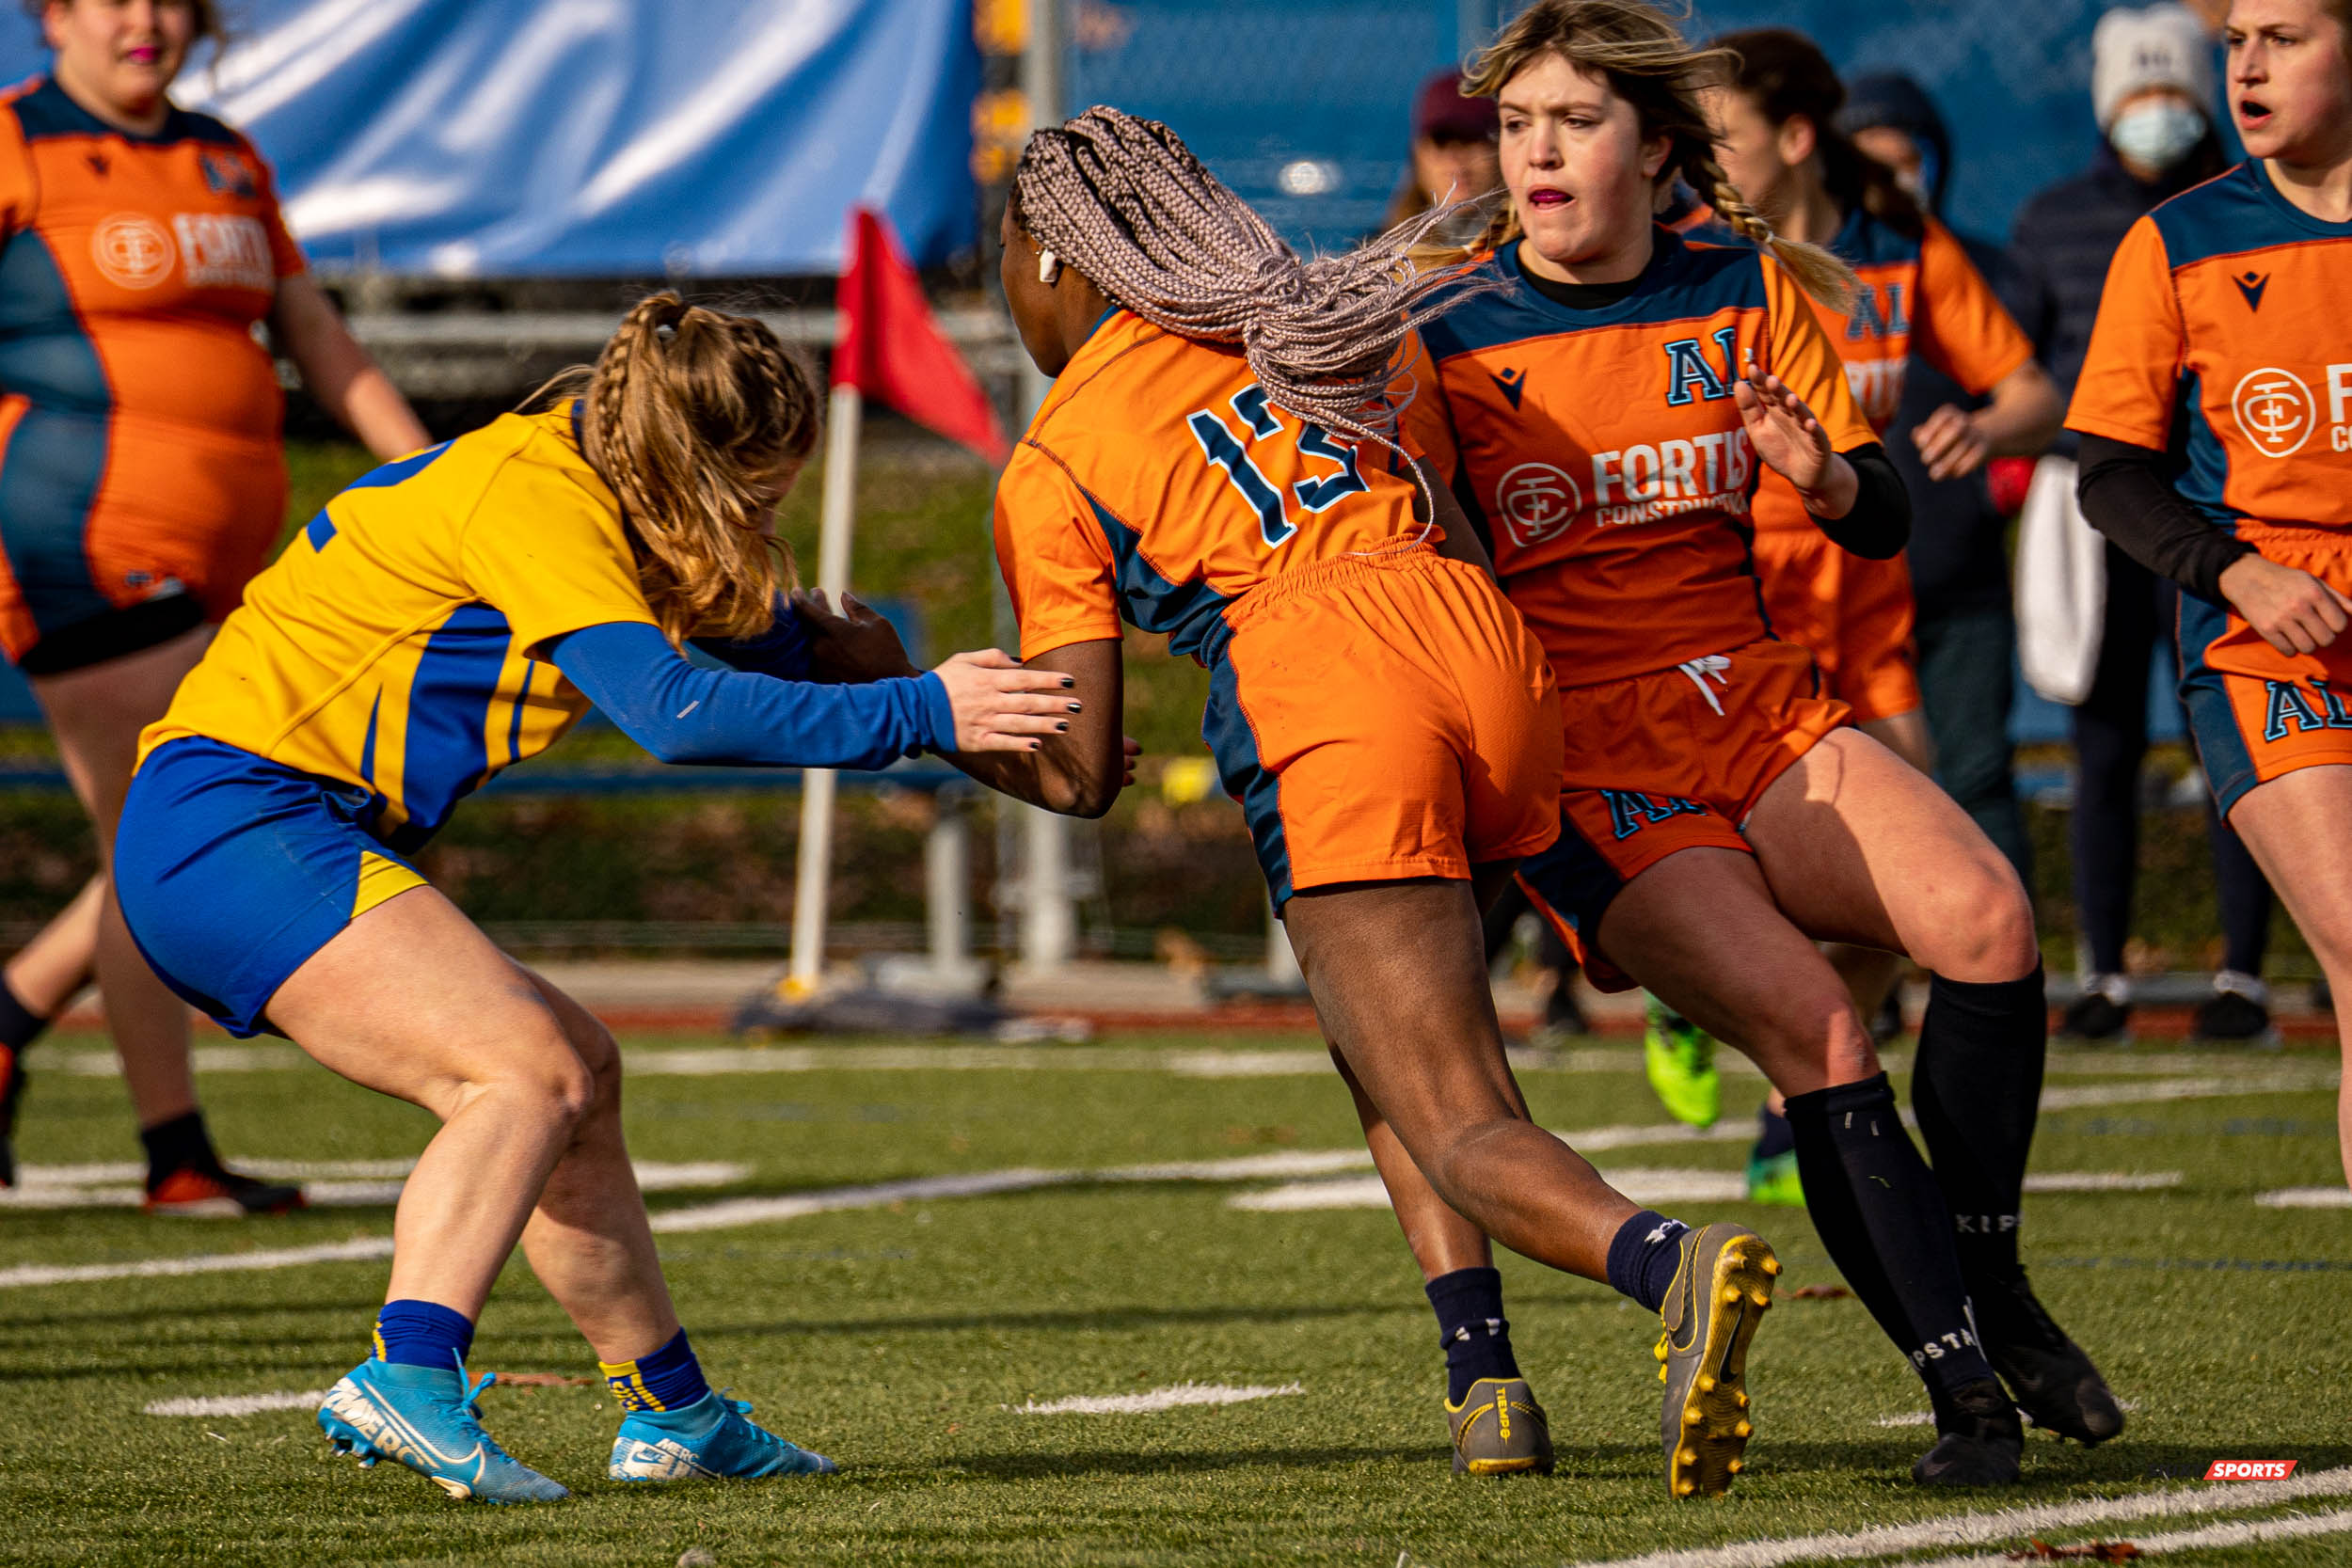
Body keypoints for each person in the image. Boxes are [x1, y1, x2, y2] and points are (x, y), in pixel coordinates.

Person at [834, 103, 1787, 1497]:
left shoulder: (1060, 452)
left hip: (1332, 689)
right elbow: (1452, 527)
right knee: (1392, 1038)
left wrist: (896, 699)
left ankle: (1668, 1262)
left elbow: (1078, 767)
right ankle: (1487, 1386)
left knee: (1455, 1109)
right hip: (1484, 644)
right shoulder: (1326, 322)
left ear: (1055, 262)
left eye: (1001, 266)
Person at [110, 294, 1075, 1501]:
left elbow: (769, 645)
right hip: (234, 819)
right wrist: (921, 710)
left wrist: (995, 724)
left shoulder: (608, 486)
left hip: (270, 822)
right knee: (525, 1072)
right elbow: (675, 714)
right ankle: (408, 1372)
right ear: (684, 470)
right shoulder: (537, 497)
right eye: (756, 504)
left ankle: (675, 1413)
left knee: (580, 1072)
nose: (762, 529)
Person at [1381, 0, 2121, 1484]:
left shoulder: (1741, 284)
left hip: (1759, 703)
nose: (1535, 151)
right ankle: (1967, 1393)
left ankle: (1998, 1283)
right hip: (1593, 754)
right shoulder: (1444, 334)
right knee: (1821, 1029)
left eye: (1574, 122)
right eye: (1519, 124)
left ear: (1655, 150)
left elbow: (1887, 508)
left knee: (1986, 919)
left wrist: (1827, 478)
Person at [0, 0, 431, 1208]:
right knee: (163, 827)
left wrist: (433, 476)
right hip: (78, 535)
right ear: (54, 16)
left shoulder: (225, 156)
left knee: (170, 829)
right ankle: (172, 1148)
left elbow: (313, 333)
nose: (147, 20)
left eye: (171, 0)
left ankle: (17, 1017)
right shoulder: (15, 142)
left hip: (232, 555)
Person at [1636, 31, 2066, 1205]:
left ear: (1791, 138)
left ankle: (1787, 1104)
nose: (1700, 158)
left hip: (1865, 609)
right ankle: (1680, 994)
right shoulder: (1692, 267)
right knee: (1705, 862)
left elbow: (2027, 388)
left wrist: (1987, 427)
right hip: (1730, 614)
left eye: (1721, 133)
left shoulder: (1897, 254)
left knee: (1907, 882)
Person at [2069, 0, 2352, 1176]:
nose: (2245, 65)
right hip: (2266, 639)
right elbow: (2109, 475)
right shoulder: (2178, 240)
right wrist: (2241, 570)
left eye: (2283, 38)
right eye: (2238, 39)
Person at [2013, 2, 2280, 1044]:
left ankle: (2245, 973)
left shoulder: (2243, 209)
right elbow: (2033, 376)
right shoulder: (2056, 219)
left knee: (2239, 741)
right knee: (2105, 740)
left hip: (2229, 512)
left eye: (2175, 87)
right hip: (2111, 512)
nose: (2157, 112)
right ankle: (2101, 972)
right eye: (2138, 91)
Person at [1839, 72, 2038, 890]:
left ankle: (1994, 988)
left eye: (1906, 160)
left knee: (1976, 779)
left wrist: (1987, 436)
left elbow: (2036, 399)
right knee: (1851, 798)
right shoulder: (1781, 273)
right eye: (1872, 163)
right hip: (1835, 589)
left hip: (1958, 572)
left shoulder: (1958, 266)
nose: (1893, 180)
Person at [1383, 70, 1504, 246]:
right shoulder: (1378, 258)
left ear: (1500, 148)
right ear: (1418, 155)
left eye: (1470, 139)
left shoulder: (1526, 254)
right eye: (1441, 142)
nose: (1455, 161)